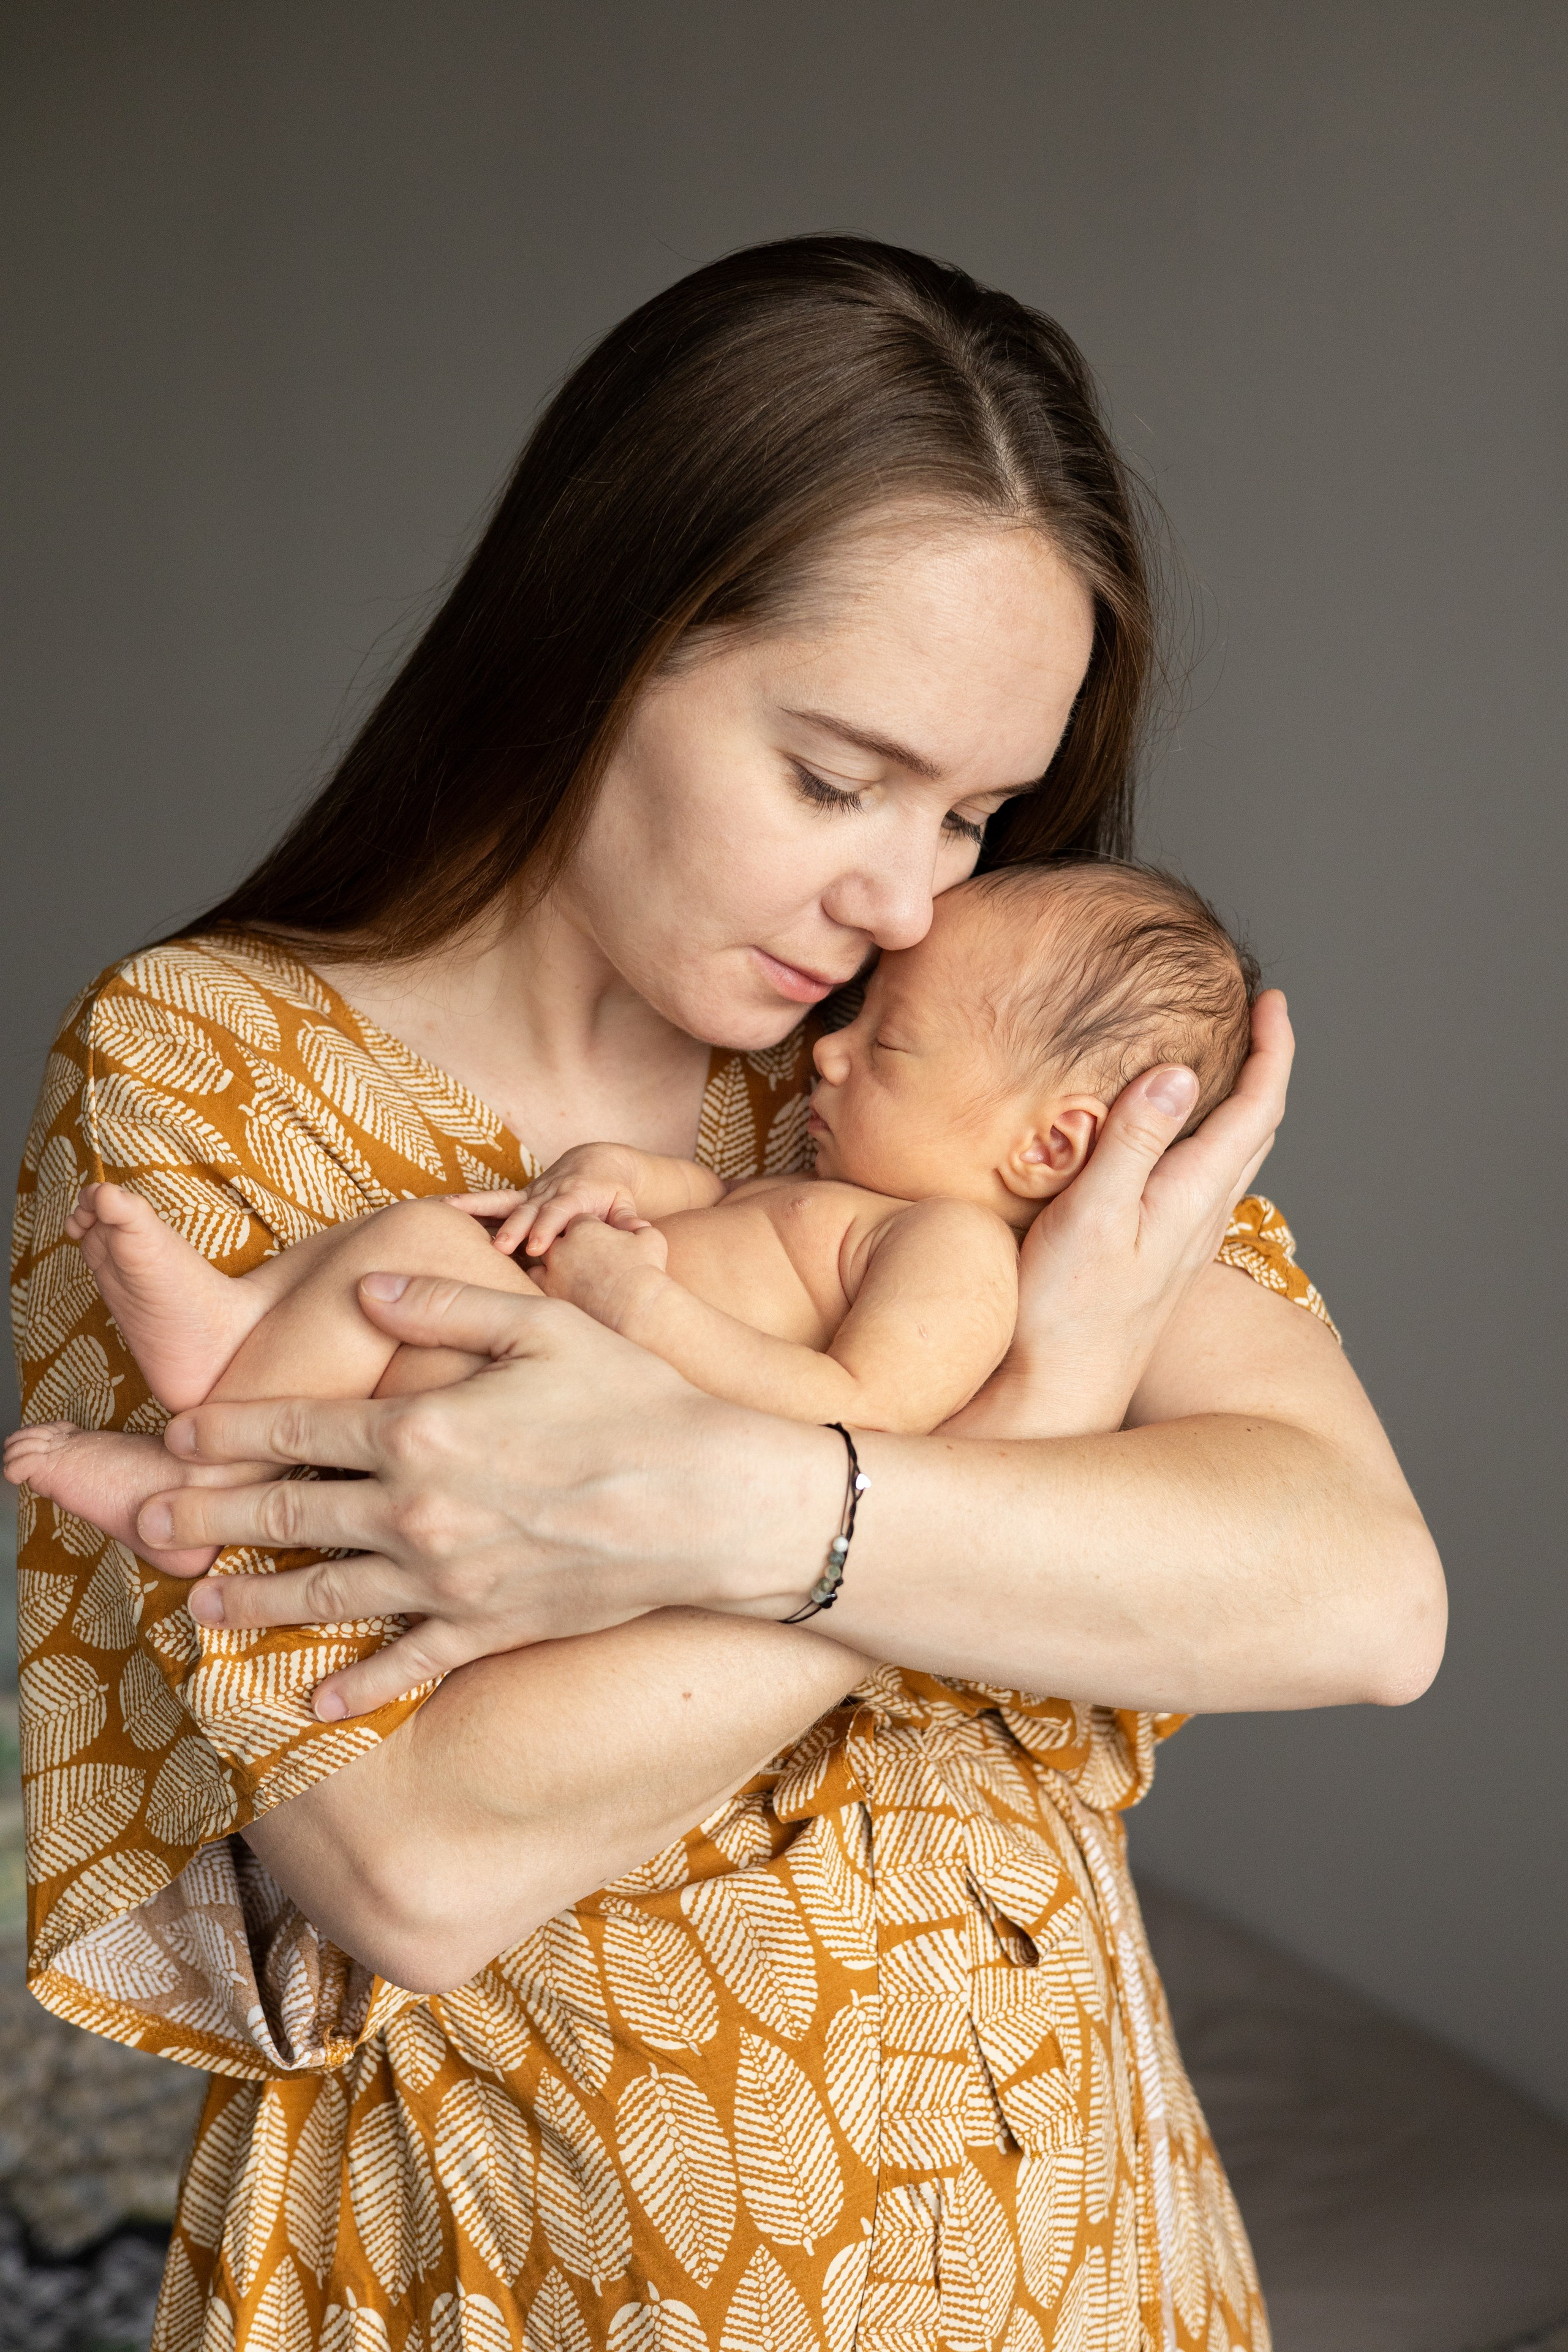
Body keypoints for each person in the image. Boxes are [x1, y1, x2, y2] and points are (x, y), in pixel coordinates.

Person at [10, 237, 1444, 2352]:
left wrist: (747, 1508)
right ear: (600, 642)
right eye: (836, 777)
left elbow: (1352, 1595)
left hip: (1085, 2266)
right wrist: (1027, 1426)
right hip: (549, 2282)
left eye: (972, 811)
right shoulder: (208, 1066)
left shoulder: (944, 1052)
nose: (900, 894)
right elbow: (413, 1862)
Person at [9, 857, 1261, 1569]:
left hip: (583, 1415)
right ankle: (232, 1341)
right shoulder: (841, 1189)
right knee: (414, 1245)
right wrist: (617, 1176)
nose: (827, 1055)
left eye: (888, 1045)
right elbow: (717, 1202)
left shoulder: (952, 1254)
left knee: (420, 1259)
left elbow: (861, 1416)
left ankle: (205, 1479)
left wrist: (642, 1305)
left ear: (1051, 1143)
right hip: (532, 1349)